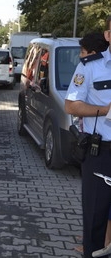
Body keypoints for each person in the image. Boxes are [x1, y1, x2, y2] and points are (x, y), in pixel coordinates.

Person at [65, 27, 111, 258]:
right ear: (108, 35)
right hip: (101, 151)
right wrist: (104, 110)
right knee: (95, 217)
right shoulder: (90, 66)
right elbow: (71, 105)